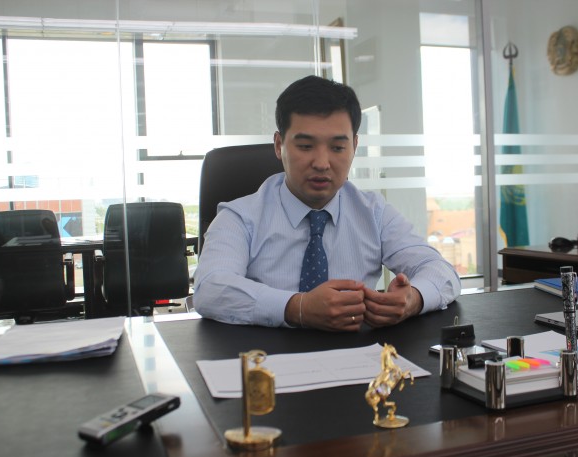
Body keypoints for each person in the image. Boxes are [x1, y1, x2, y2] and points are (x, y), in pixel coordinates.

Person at [193, 75, 460, 332]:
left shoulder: (374, 212)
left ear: (354, 146)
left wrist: (413, 299)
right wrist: (297, 308)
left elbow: (441, 272)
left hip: (357, 355)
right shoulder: (239, 217)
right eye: (305, 146)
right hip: (263, 357)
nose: (322, 163)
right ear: (278, 145)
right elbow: (210, 288)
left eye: (337, 148)